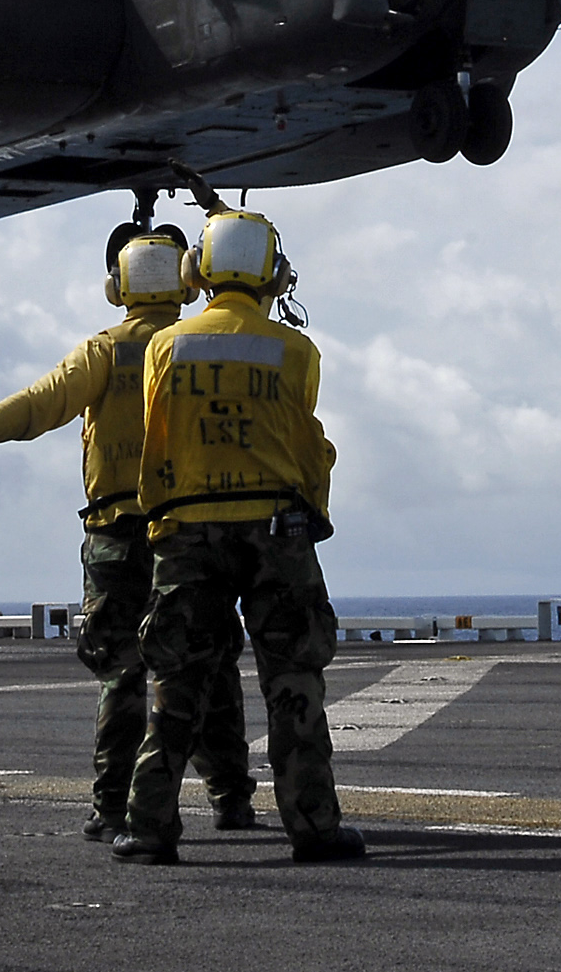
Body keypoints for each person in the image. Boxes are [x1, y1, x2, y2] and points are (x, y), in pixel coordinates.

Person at [0, 229, 259, 841]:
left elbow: (38, 405)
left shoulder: (105, 352)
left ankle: (112, 806)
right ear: (187, 279)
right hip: (192, 535)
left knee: (122, 672)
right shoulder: (200, 349)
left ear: (118, 288)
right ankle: (230, 798)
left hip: (118, 535)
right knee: (209, 662)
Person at [112, 209, 365, 866]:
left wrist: (161, 521)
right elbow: (308, 447)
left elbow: (157, 438)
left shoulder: (166, 347)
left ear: (196, 270)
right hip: (276, 530)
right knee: (294, 679)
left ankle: (148, 826)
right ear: (273, 274)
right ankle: (313, 825)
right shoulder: (296, 351)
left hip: (187, 530)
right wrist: (314, 510)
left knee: (177, 681)